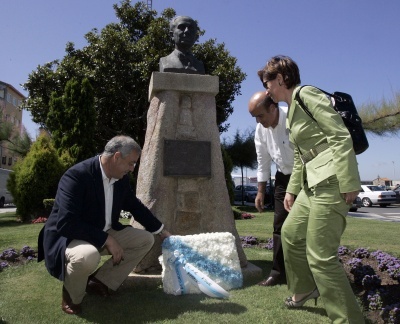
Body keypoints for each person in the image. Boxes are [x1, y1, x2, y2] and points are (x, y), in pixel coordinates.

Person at [258, 55, 365, 323]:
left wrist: (350, 180)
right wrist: (292, 191)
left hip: (332, 180)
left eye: (267, 82)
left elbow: (339, 135)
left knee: (321, 257)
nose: (265, 88)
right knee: (291, 233)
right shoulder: (292, 109)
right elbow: (299, 156)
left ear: (281, 78)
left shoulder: (307, 94)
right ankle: (305, 289)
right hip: (310, 183)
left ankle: (348, 319)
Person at [38, 135, 170, 315]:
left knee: (145, 239)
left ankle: (100, 282)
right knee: (87, 256)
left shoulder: (120, 179)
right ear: (116, 157)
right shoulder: (77, 176)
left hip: (104, 231)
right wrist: (106, 239)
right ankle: (72, 297)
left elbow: (135, 207)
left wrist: (161, 231)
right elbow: (66, 222)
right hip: (70, 236)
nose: (132, 169)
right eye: (131, 163)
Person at [248, 91, 294, 286]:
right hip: (283, 178)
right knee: (279, 226)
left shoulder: (293, 118)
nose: (258, 121)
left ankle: (310, 275)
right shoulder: (261, 130)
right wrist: (260, 191)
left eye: (261, 115)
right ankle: (277, 273)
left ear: (273, 108)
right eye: (255, 117)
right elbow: (263, 162)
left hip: (307, 176)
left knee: (308, 228)